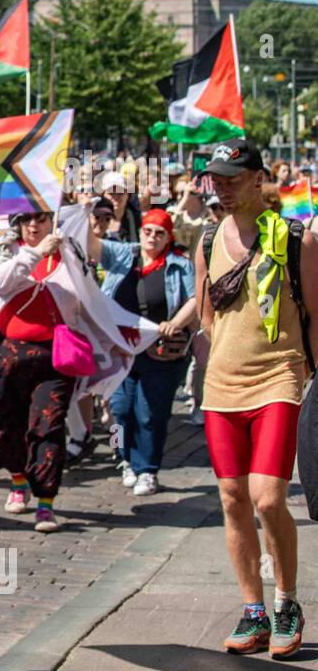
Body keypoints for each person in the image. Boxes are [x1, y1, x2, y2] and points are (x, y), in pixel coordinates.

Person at [194, 140, 311, 658]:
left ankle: (286, 600)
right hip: (222, 387)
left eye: (232, 176)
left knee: (268, 497)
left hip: (278, 379)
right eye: (215, 177)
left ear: (260, 179)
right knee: (233, 499)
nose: (220, 184)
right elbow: (206, 317)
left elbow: (316, 312)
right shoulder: (206, 241)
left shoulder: (294, 239)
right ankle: (254, 610)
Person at [0, 211, 81, 533]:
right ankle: (18, 480)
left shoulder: (69, 254)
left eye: (40, 220)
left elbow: (83, 298)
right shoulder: (5, 252)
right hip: (9, 353)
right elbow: (0, 282)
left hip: (54, 357)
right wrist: (35, 253)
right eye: (27, 221)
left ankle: (46, 503)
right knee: (7, 424)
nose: (34, 226)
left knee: (49, 424)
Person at [90, 208, 197, 496]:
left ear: (168, 237)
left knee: (150, 413)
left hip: (159, 350)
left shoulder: (180, 265)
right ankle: (122, 459)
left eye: (159, 233)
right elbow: (92, 245)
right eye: (148, 231)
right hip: (121, 348)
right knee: (118, 412)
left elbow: (195, 299)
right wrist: (83, 214)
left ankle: (147, 469)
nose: (152, 237)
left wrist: (174, 324)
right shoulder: (125, 254)